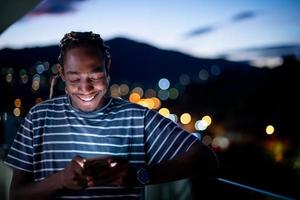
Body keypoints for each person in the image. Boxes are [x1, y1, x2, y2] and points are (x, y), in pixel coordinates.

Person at [4, 31, 219, 200]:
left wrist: (139, 175)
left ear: (108, 67)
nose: (85, 88)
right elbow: (16, 196)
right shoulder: (38, 118)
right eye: (74, 79)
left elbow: (206, 159)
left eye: (95, 76)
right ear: (61, 74)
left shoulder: (137, 118)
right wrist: (61, 180)